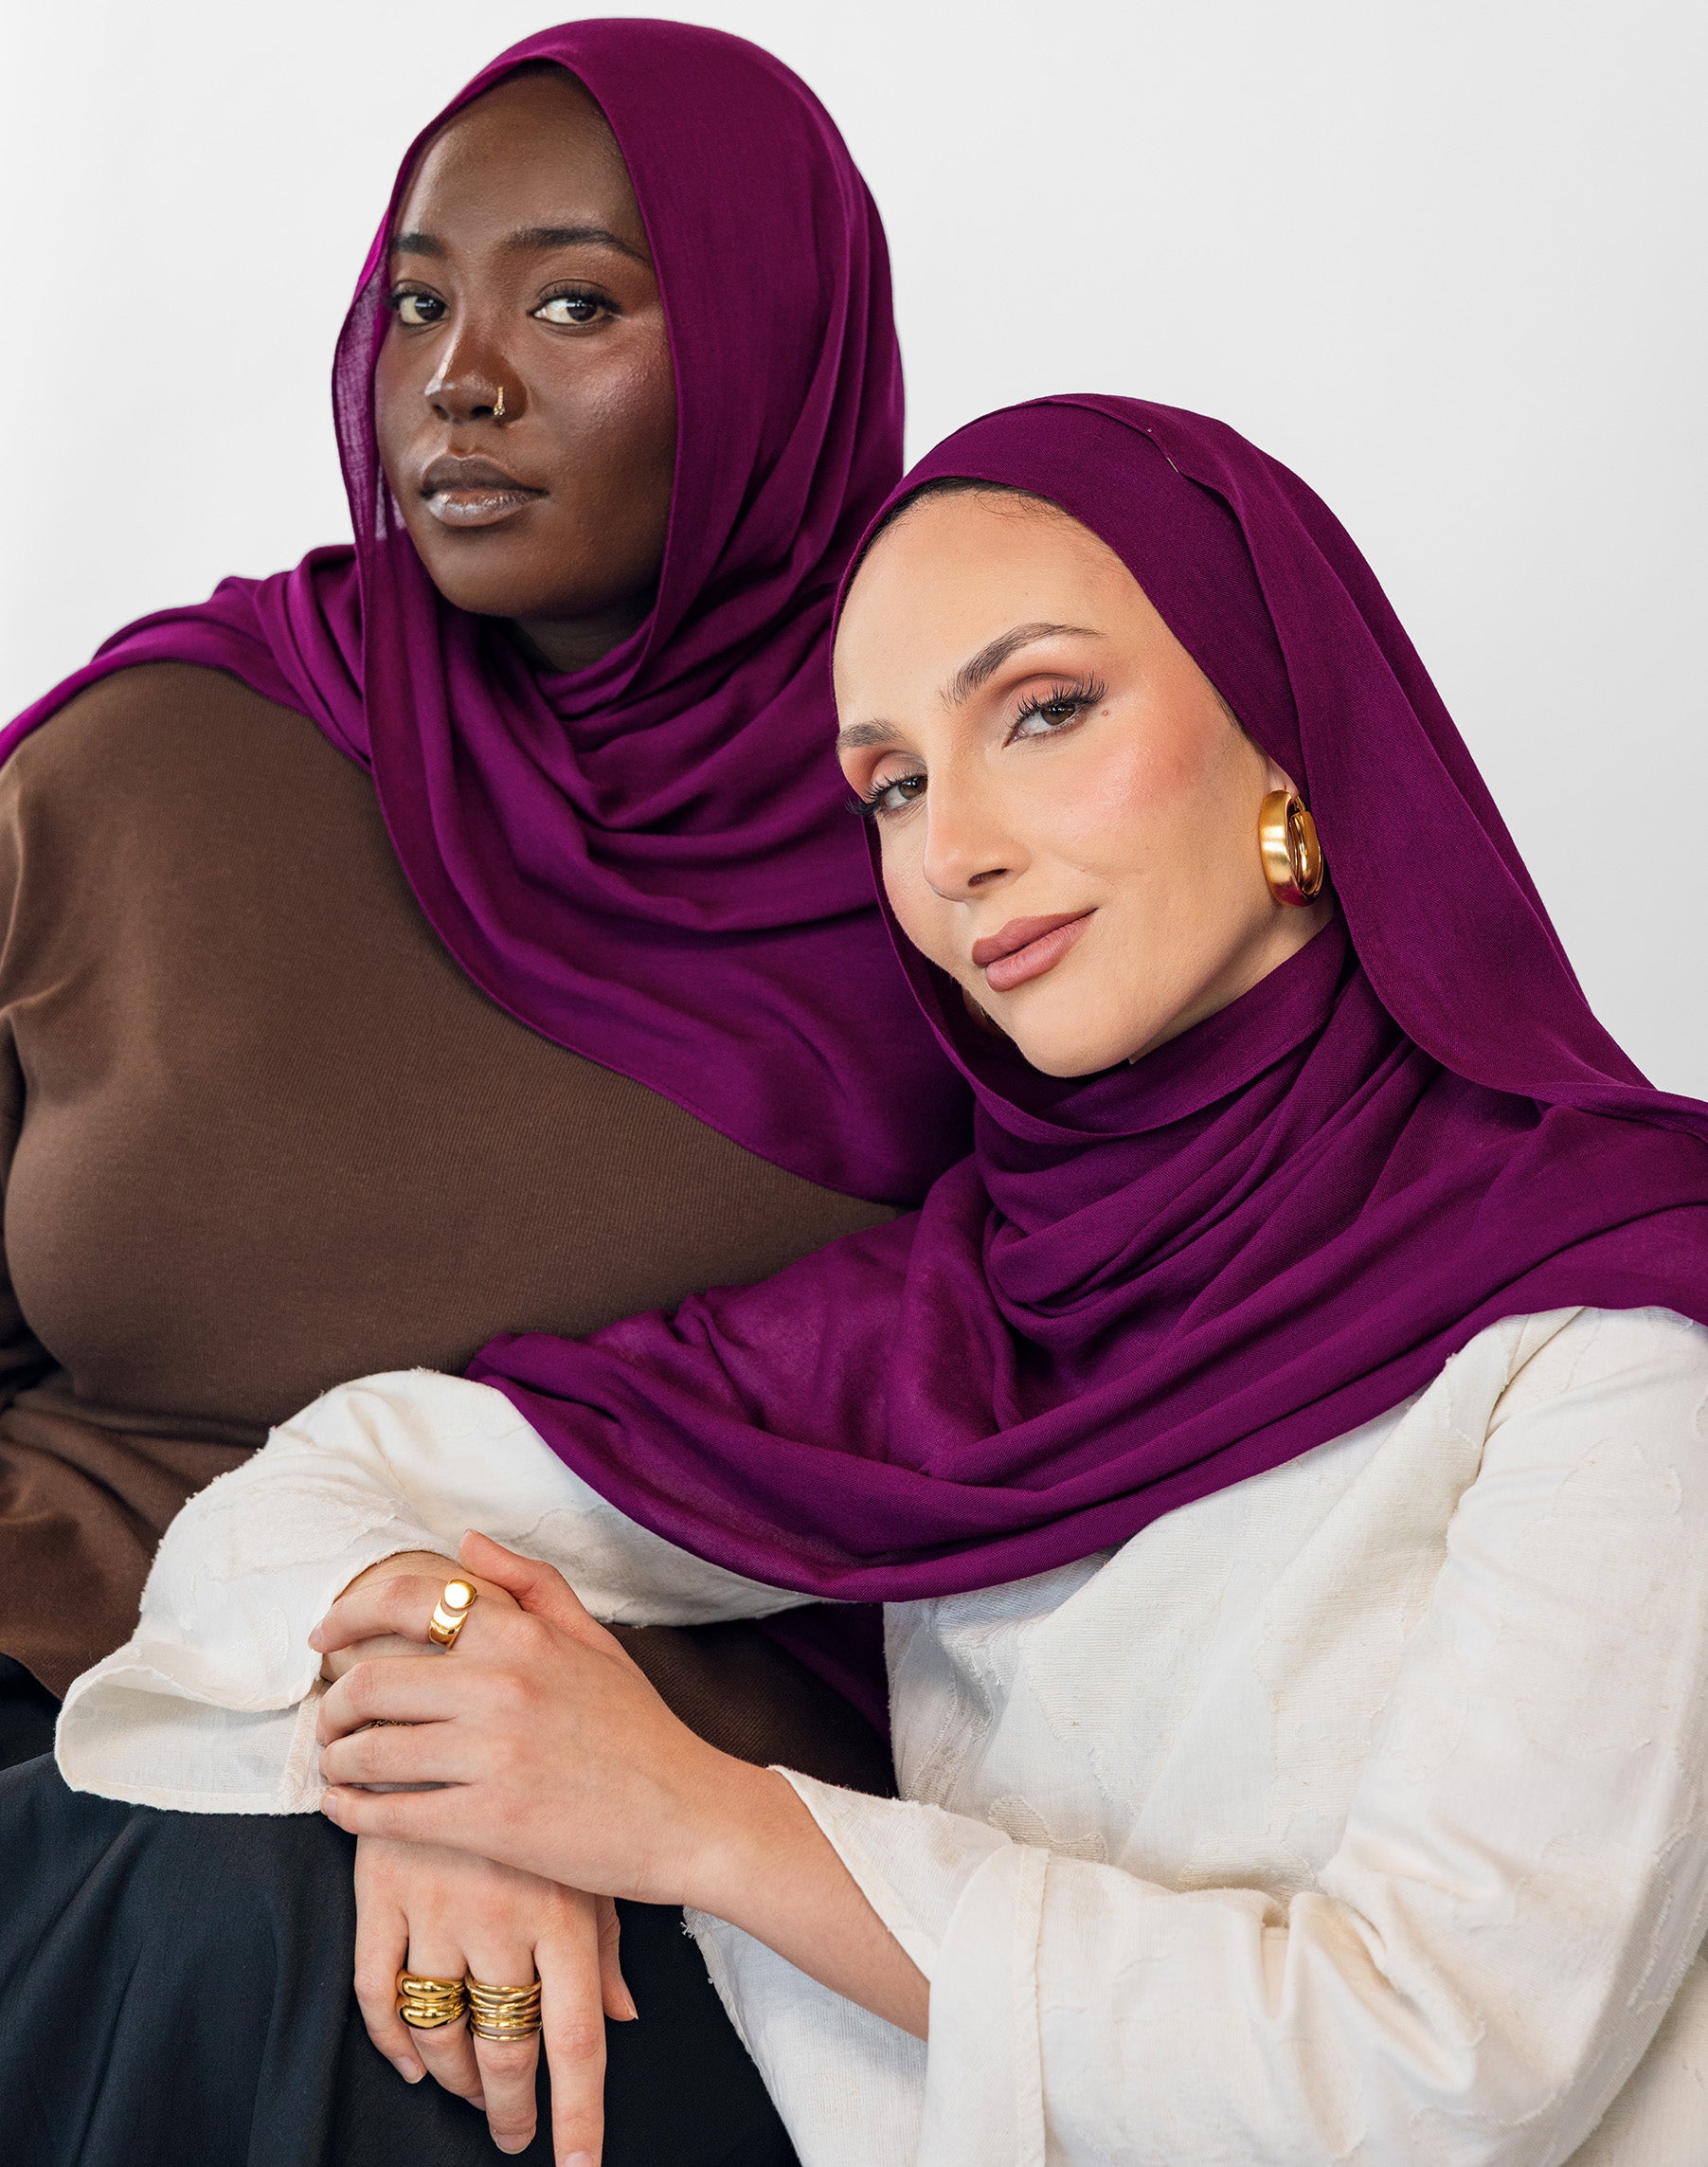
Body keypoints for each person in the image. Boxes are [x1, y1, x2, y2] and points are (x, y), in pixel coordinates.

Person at [19, 393, 1708, 2165]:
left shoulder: (1614, 1309)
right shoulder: (989, 1302)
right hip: (886, 2122)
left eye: (1043, 713)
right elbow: (332, 1482)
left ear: (1289, 735)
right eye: (893, 784)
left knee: (231, 1944)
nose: (950, 850)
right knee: (221, 1889)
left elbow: (1429, 2073)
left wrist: (691, 1819)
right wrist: (452, 1767)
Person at [0, 22, 972, 2161]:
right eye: (418, 299)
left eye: (575, 301)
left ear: (778, 359)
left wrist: (494, 1746)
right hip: (63, 1667)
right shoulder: (155, 759)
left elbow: (1008, 1434)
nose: (458, 378)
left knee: (265, 1937)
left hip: (664, 1754)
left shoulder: (946, 834)